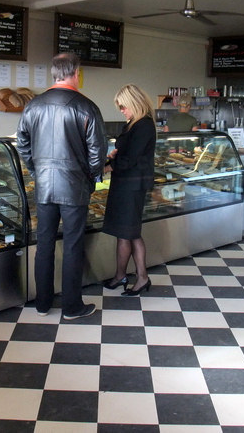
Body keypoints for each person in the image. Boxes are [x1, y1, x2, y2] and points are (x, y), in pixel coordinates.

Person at [16, 53, 107, 320]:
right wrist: (90, 179)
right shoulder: (87, 107)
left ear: (54, 74)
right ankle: (72, 307)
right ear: (76, 73)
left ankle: (42, 304)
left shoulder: (33, 106)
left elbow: (22, 144)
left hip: (44, 187)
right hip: (75, 188)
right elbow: (98, 153)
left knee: (44, 245)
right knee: (72, 246)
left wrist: (37, 171)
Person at [102, 84, 157, 296]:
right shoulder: (133, 123)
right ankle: (122, 276)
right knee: (124, 232)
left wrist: (107, 167)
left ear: (134, 102)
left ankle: (141, 277)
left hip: (132, 185)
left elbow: (132, 158)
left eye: (124, 107)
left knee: (130, 233)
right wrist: (114, 155)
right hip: (124, 183)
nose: (122, 111)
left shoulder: (144, 125)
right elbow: (127, 153)